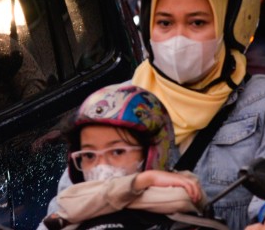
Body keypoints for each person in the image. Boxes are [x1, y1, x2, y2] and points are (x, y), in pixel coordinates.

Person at [45, 0, 265, 230]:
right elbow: (66, 204)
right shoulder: (112, 106)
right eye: (164, 22)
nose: (178, 38)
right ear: (147, 25)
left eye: (197, 22)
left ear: (232, 25)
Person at [42, 85, 207, 229]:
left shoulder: (182, 214)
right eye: (89, 155)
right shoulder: (64, 216)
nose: (101, 166)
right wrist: (141, 181)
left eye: (117, 152)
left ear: (153, 153)